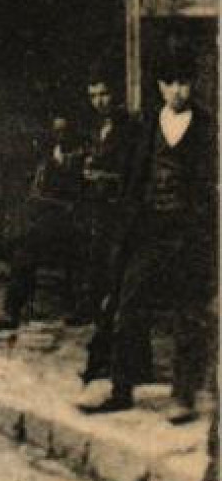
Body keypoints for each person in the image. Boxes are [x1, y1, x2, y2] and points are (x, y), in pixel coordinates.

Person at [81, 52, 216, 424]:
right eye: (170, 83)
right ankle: (121, 389)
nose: (178, 91)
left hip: (189, 235)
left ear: (194, 84)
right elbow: (132, 180)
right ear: (160, 87)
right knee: (127, 307)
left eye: (185, 83)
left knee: (189, 314)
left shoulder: (207, 128)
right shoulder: (146, 126)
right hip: (149, 232)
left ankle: (183, 395)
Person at [0, 116, 85, 332]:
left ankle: (76, 306)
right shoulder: (47, 158)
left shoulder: (82, 155)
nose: (60, 136)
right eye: (56, 131)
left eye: (64, 131)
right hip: (48, 218)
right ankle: (12, 309)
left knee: (74, 247)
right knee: (25, 248)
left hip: (74, 218)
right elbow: (38, 191)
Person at [78, 74, 139, 322]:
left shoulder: (130, 126)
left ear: (115, 94)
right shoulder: (95, 126)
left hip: (119, 200)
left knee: (115, 255)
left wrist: (103, 175)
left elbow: (133, 168)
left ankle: (111, 308)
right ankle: (91, 305)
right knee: (94, 250)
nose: (98, 101)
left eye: (103, 94)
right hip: (96, 199)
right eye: (93, 96)